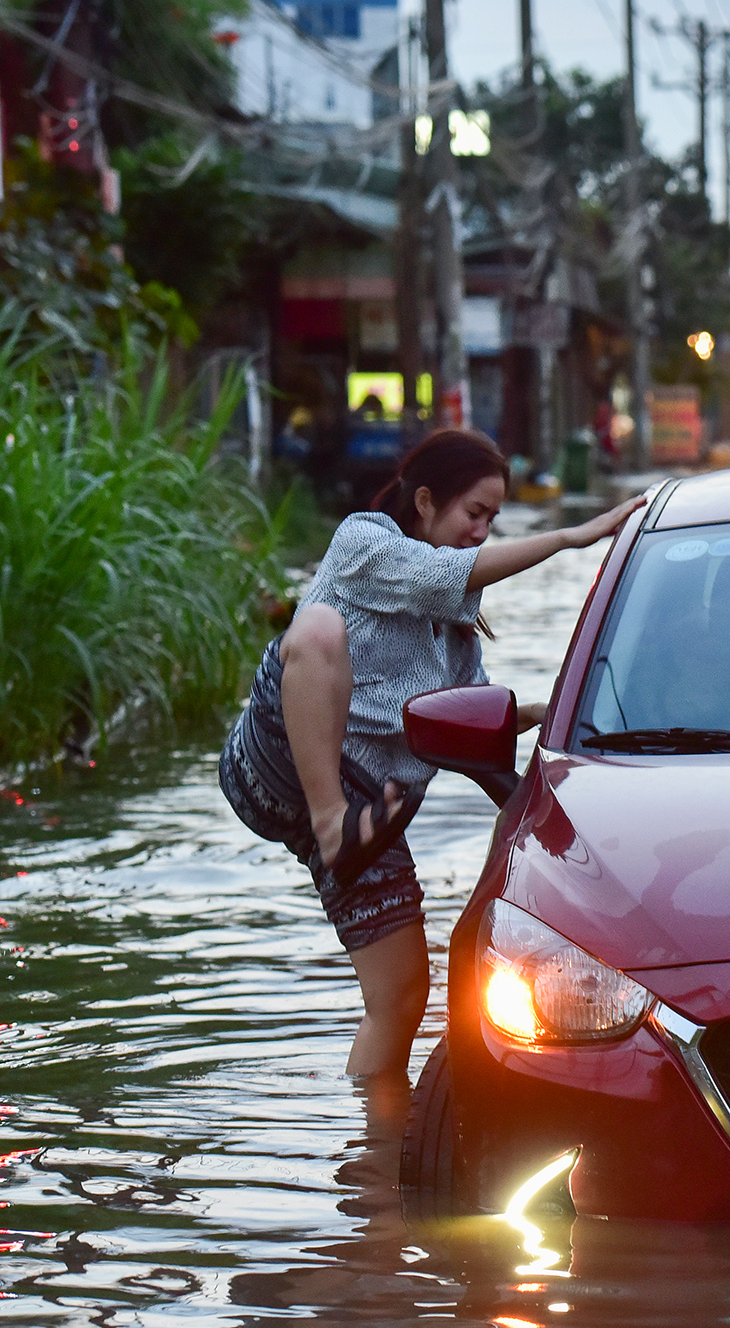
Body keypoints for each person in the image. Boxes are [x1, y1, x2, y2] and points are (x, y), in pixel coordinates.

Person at [219, 428, 642, 1083]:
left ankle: (376, 1140)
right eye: (475, 513)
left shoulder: (456, 636)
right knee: (318, 627)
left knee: (401, 998)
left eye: (493, 519)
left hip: (370, 813)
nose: (483, 531)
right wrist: (569, 538)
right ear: (424, 501)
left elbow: (470, 725)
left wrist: (546, 730)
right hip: (278, 765)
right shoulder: (364, 542)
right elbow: (441, 574)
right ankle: (331, 823)